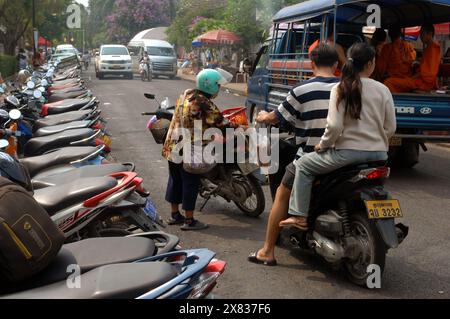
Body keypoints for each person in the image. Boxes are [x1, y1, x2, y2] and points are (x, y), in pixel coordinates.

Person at [280, 42, 396, 230]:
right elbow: (390, 127)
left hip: (346, 155)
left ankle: (299, 216)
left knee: (303, 165)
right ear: (370, 64)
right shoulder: (383, 89)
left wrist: (323, 145)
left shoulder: (341, 87)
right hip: (379, 156)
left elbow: (334, 126)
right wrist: (377, 140)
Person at [247, 44, 340, 266]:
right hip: (346, 154)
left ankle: (267, 251)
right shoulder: (346, 87)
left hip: (311, 154)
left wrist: (262, 117)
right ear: (336, 65)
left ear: (312, 64)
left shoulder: (301, 89)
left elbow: (277, 117)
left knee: (281, 193)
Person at [162, 69, 233, 231]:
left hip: (172, 145)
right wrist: (239, 127)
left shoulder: (187, 94)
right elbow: (220, 121)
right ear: (210, 85)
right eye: (217, 85)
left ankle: (175, 215)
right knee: (190, 182)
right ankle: (189, 220)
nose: (219, 88)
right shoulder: (202, 101)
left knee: (175, 179)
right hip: (188, 149)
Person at [384, 24, 441, 93]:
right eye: (420, 34)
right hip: (417, 78)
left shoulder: (434, 48)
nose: (420, 36)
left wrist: (417, 70)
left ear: (430, 34)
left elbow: (429, 74)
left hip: (424, 83)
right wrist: (417, 64)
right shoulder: (426, 47)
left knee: (389, 82)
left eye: (422, 34)